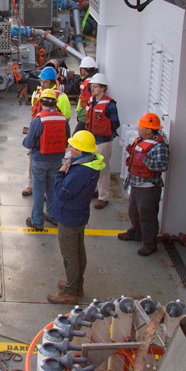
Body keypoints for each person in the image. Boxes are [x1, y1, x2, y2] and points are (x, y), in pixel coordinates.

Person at [47, 130, 105, 304]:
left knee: (70, 256)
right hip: (79, 213)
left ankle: (69, 292)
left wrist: (60, 173)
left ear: (80, 151)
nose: (69, 147)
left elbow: (63, 192)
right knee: (79, 251)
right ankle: (77, 284)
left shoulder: (80, 172)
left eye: (72, 146)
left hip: (69, 216)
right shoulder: (92, 163)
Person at [119, 113, 171, 256]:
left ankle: (149, 244)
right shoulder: (140, 140)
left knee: (147, 216)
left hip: (148, 187)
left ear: (149, 130)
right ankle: (137, 233)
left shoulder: (159, 147)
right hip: (136, 184)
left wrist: (145, 159)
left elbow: (162, 166)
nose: (138, 128)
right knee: (133, 212)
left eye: (141, 126)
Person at [22, 89, 70, 231]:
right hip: (57, 160)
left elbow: (29, 143)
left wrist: (25, 140)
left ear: (41, 102)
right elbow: (67, 139)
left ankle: (37, 221)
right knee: (52, 189)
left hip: (40, 160)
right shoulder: (63, 119)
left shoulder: (38, 120)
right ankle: (53, 216)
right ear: (55, 102)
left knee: (38, 190)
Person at [23, 66, 71, 197]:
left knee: (51, 165)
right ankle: (31, 185)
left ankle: (47, 190)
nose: (42, 84)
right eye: (41, 81)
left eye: (45, 82)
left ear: (52, 82)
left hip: (52, 135)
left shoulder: (61, 97)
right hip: (37, 133)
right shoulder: (37, 93)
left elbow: (66, 118)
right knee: (32, 160)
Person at [83, 73, 119, 209]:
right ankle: (94, 191)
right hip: (91, 141)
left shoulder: (110, 104)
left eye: (95, 86)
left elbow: (115, 122)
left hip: (103, 141)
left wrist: (108, 132)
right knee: (91, 168)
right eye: (91, 86)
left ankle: (103, 197)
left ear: (103, 88)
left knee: (103, 170)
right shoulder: (90, 101)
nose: (92, 89)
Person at [74, 56, 98, 134]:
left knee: (76, 136)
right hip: (86, 113)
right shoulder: (92, 81)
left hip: (86, 115)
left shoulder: (89, 83)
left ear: (84, 69)